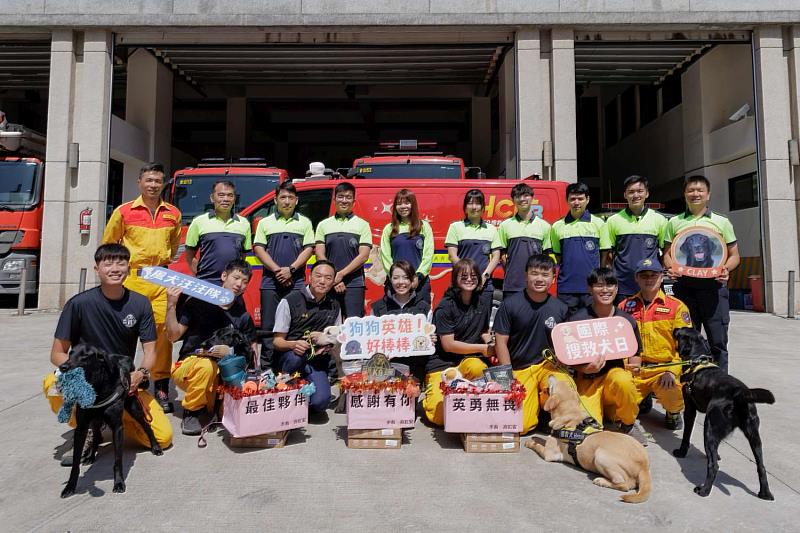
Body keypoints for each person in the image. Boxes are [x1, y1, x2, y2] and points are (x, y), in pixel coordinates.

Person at [43, 244, 173, 464]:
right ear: (97, 269)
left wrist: (140, 373)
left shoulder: (140, 303)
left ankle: (110, 418)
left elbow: (151, 351)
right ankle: (86, 428)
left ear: (129, 268)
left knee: (162, 438)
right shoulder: (78, 304)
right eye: (108, 263)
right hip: (87, 381)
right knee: (53, 384)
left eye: (121, 263)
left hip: (122, 384)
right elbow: (57, 353)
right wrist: (82, 374)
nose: (115, 268)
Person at [102, 162, 181, 413]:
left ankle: (161, 384)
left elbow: (173, 247)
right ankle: (121, 380)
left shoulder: (173, 213)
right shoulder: (124, 211)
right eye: (149, 180)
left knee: (162, 335)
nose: (153, 185)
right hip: (132, 280)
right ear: (140, 183)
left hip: (161, 280)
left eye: (158, 181)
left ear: (163, 184)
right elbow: (108, 246)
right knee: (123, 331)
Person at [165, 259, 258, 435]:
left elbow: (252, 348)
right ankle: (192, 411)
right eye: (236, 278)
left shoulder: (242, 315)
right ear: (224, 276)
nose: (239, 284)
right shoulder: (197, 303)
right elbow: (173, 336)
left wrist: (231, 352)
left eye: (245, 281)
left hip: (224, 373)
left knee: (229, 413)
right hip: (190, 365)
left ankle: (211, 407)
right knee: (207, 366)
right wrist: (171, 305)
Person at [663, 175, 739, 372]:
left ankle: (721, 382)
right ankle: (689, 384)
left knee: (718, 342)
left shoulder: (722, 222)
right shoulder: (674, 222)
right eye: (691, 190)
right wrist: (671, 268)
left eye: (700, 190)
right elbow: (667, 254)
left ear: (708, 195)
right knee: (686, 341)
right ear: (684, 194)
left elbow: (734, 256)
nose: (695, 194)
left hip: (714, 288)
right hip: (685, 288)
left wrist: (726, 269)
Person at [494, 254, 575, 434]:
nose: (539, 279)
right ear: (526, 275)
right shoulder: (510, 304)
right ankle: (539, 411)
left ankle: (547, 412)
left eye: (545, 275)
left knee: (565, 385)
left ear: (553, 278)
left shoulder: (561, 308)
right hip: (521, 368)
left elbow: (566, 343)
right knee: (521, 426)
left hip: (549, 366)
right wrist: (507, 376)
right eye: (534, 273)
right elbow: (500, 342)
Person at [569, 267, 646, 444]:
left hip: (614, 378)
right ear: (590, 289)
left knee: (624, 380)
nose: (605, 290)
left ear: (617, 288)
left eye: (610, 285)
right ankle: (606, 415)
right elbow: (568, 360)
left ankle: (628, 424)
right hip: (587, 382)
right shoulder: (577, 320)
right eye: (599, 285)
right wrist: (584, 368)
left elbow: (636, 353)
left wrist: (635, 367)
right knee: (588, 431)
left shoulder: (626, 321)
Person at [621, 258, 691, 430]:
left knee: (671, 389)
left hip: (663, 369)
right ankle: (643, 399)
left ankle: (673, 413)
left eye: (653, 275)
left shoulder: (677, 307)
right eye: (644, 275)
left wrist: (672, 371)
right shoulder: (625, 307)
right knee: (615, 409)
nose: (649, 279)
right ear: (636, 278)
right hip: (635, 369)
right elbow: (620, 344)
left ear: (661, 277)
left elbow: (685, 348)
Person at [422, 259, 494, 426]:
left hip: (467, 361)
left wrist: (491, 342)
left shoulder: (483, 302)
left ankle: (464, 392)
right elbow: (448, 345)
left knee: (479, 368)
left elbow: (483, 331)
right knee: (440, 417)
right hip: (441, 364)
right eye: (464, 276)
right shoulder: (445, 306)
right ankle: (430, 394)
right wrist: (483, 348)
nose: (469, 279)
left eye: (473, 276)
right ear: (455, 279)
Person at [252, 181, 315, 370]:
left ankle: (295, 366)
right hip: (270, 282)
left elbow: (309, 249)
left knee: (298, 323)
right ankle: (267, 369)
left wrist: (291, 269)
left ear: (296, 200)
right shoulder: (265, 222)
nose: (286, 201)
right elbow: (258, 249)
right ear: (275, 200)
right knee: (268, 327)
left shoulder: (304, 222)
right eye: (283, 197)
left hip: (296, 282)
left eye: (290, 198)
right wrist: (277, 270)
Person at [272, 260, 342, 414]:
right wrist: (293, 344)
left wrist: (325, 341)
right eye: (318, 276)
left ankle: (304, 397)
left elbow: (338, 339)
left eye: (328, 278)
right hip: (290, 358)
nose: (322, 281)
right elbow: (277, 341)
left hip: (316, 362)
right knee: (295, 358)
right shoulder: (290, 301)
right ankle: (284, 394)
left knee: (321, 402)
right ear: (309, 277)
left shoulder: (335, 305)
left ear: (333, 282)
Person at [603, 175, 668, 303]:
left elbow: (665, 253)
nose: (635, 195)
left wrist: (657, 272)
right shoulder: (613, 221)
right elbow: (608, 254)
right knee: (623, 316)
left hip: (650, 284)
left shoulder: (660, 220)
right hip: (622, 285)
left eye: (640, 191)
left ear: (647, 193)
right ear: (625, 195)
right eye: (631, 192)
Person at [550, 182, 611, 316]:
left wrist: (598, 279)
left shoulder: (599, 224)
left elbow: (604, 254)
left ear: (587, 199)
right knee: (567, 324)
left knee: (592, 322)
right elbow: (558, 256)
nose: (576, 202)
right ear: (567, 200)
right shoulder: (557, 226)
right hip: (566, 288)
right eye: (572, 199)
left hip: (591, 287)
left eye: (580, 198)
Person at [315, 181, 372, 319]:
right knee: (328, 323)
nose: (344, 200)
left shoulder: (363, 225)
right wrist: (333, 277)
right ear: (334, 200)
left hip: (354, 284)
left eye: (348, 197)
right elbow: (319, 253)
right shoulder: (323, 225)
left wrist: (341, 274)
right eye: (340, 196)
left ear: (354, 201)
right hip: (328, 283)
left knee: (354, 323)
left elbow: (363, 256)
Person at [184, 180, 252, 283]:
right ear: (212, 198)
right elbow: (189, 255)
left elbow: (243, 256)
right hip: (206, 282)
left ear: (234, 199)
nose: (226, 199)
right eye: (221, 195)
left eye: (230, 195)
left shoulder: (244, 223)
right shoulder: (198, 222)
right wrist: (200, 276)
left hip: (231, 284)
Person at [445, 189, 502, 310]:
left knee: (483, 319)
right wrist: (467, 275)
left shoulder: (492, 229)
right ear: (465, 208)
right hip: (461, 283)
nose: (474, 207)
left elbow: (496, 256)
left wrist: (484, 277)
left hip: (484, 285)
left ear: (483, 208)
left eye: (477, 203)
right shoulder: (455, 227)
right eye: (470, 203)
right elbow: (452, 255)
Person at [497, 183, 552, 299]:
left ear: (532, 198)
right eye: (518, 196)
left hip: (536, 286)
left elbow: (545, 257)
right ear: (513, 200)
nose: (522, 199)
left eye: (526, 195)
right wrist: (511, 271)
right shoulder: (505, 225)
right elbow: (502, 254)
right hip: (512, 285)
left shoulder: (545, 226)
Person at [379, 189, 434, 302]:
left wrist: (418, 276)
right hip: (396, 284)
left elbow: (428, 254)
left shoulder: (424, 226)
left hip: (419, 283)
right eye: (399, 203)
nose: (403, 206)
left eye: (407, 203)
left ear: (413, 205)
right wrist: (396, 278)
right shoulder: (389, 229)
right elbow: (385, 256)